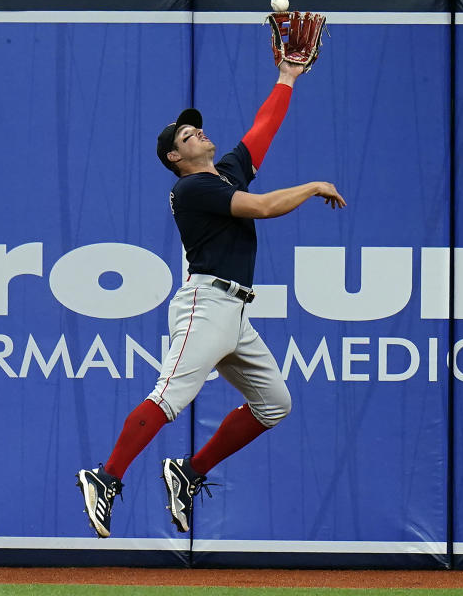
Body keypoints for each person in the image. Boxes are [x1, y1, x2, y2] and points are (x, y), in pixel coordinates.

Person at [77, 60, 346, 539]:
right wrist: (312, 185)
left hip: (236, 312)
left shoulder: (223, 173)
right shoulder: (192, 187)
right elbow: (261, 208)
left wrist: (286, 77)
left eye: (195, 127)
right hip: (206, 304)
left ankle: (189, 471)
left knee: (274, 403)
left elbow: (263, 128)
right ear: (174, 159)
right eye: (185, 135)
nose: (196, 132)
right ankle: (105, 477)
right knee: (168, 397)